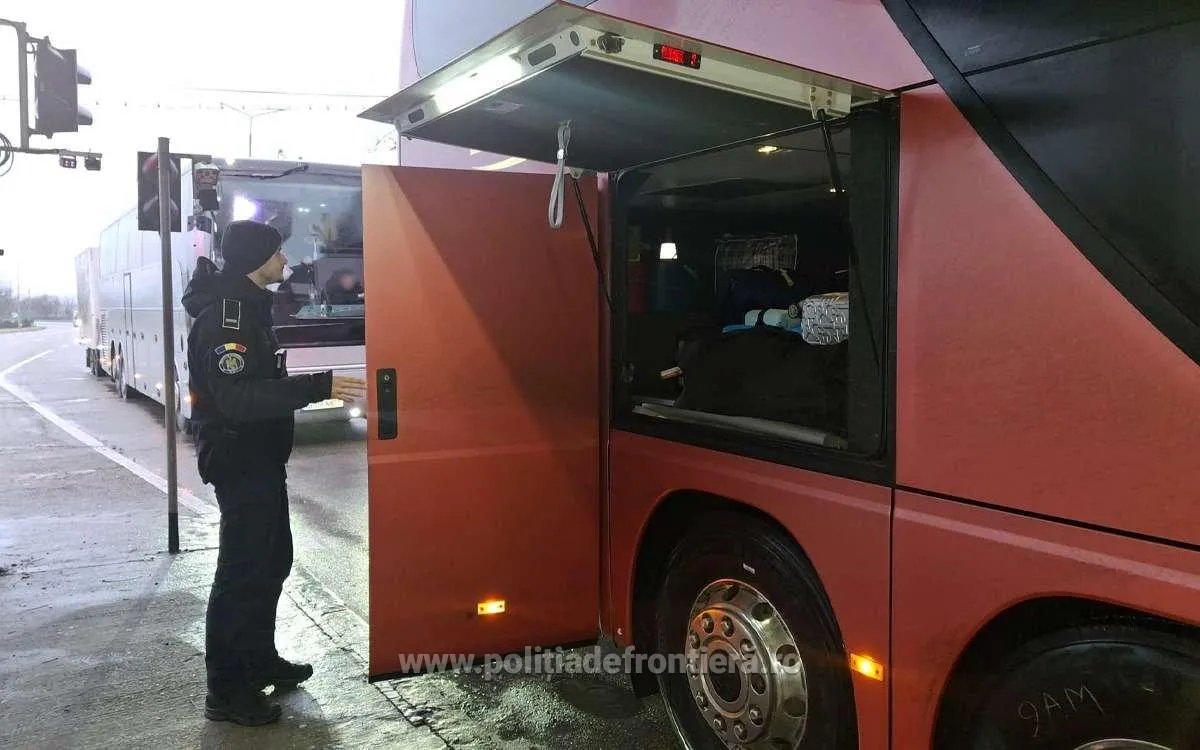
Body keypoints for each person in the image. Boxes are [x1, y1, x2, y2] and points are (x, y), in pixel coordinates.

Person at [181, 219, 366, 725]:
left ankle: (258, 659)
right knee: (241, 573)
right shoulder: (227, 319)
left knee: (271, 561)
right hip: (239, 460)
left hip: (260, 459)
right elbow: (238, 399)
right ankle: (226, 690)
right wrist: (317, 386)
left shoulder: (249, 309)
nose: (285, 260)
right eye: (277, 252)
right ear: (255, 259)